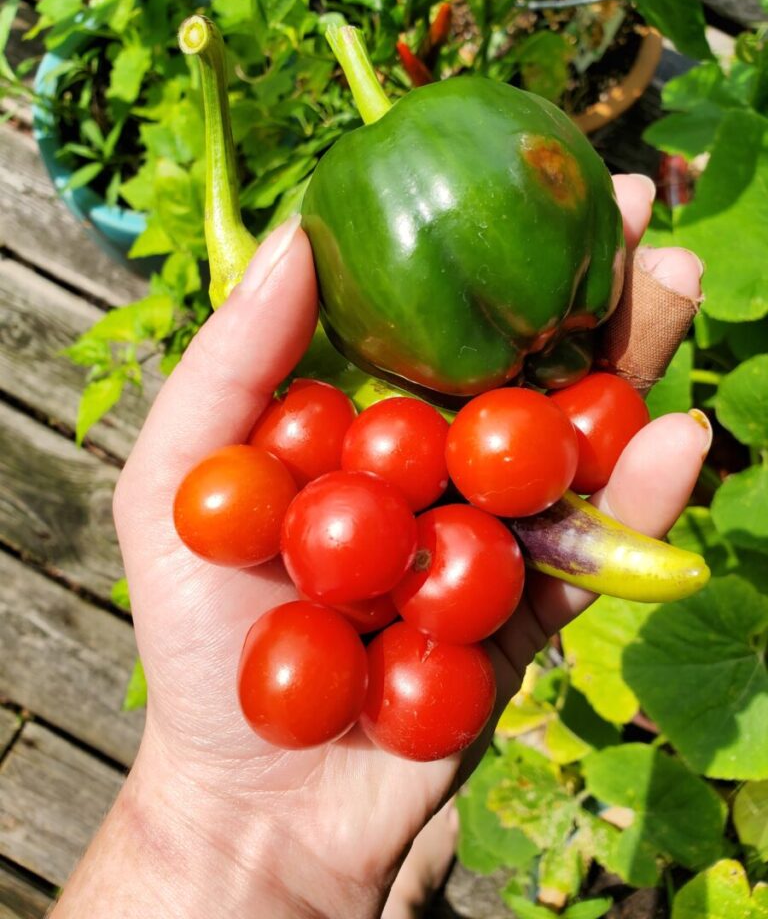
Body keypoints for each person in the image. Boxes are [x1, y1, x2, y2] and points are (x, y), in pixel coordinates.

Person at [51, 174, 708, 918]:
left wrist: (215, 834)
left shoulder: (360, 489)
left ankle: (378, 892)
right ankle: (375, 889)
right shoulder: (344, 521)